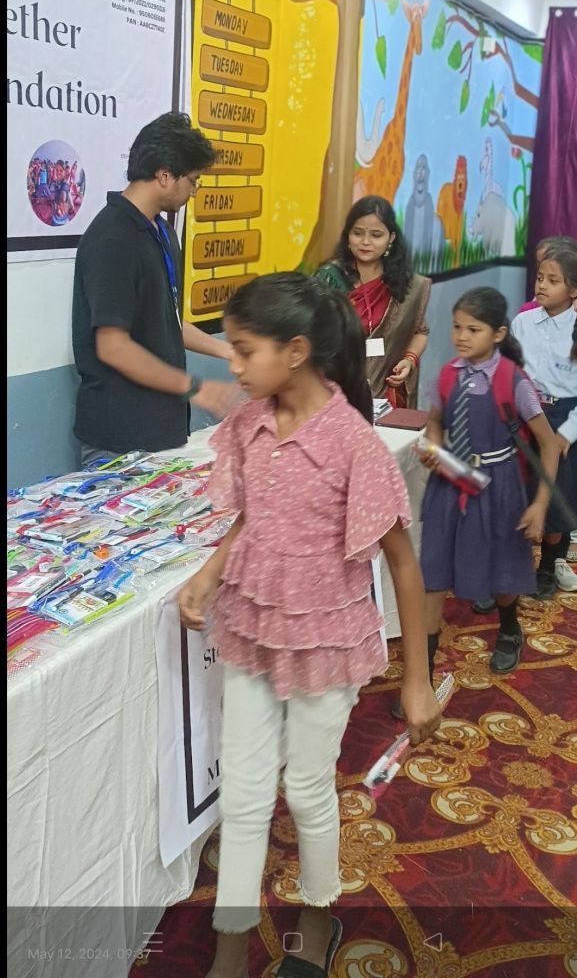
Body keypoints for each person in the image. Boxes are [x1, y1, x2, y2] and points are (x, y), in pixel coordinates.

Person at [178, 272, 440, 978]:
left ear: (295, 351)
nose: (233, 365)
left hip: (327, 641)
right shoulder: (250, 423)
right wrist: (209, 573)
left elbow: (402, 563)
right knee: (242, 795)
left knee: (306, 789)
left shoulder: (352, 443)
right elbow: (253, 515)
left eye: (243, 350)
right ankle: (230, 948)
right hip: (252, 630)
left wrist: (417, 680)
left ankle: (318, 915)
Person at [391, 288, 558, 719]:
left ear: (498, 333)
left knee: (501, 566)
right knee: (433, 575)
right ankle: (423, 676)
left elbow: (548, 444)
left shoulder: (513, 381)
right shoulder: (447, 375)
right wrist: (434, 450)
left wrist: (539, 505)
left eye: (473, 329)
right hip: (450, 484)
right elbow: (435, 424)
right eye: (457, 327)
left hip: (498, 485)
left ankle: (509, 628)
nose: (461, 337)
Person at [72, 112, 236, 466]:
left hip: (162, 431)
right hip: (119, 440)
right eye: (192, 181)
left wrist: (230, 351)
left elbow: (168, 323)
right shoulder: (113, 239)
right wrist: (196, 387)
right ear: (164, 175)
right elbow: (113, 347)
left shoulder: (161, 233)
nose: (194, 192)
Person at [315, 196, 430, 407]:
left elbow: (420, 331)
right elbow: (314, 335)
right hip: (338, 391)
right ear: (347, 235)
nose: (365, 242)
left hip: (387, 392)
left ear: (391, 238)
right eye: (358, 233)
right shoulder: (329, 278)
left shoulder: (407, 284)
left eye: (376, 235)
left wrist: (409, 361)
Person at [510, 241, 577, 597]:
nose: (542, 285)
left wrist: (567, 434)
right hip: (524, 412)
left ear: (573, 290)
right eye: (540, 278)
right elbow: (509, 369)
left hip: (564, 416)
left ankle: (549, 565)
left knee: (556, 497)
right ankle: (508, 568)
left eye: (553, 280)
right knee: (515, 491)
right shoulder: (523, 322)